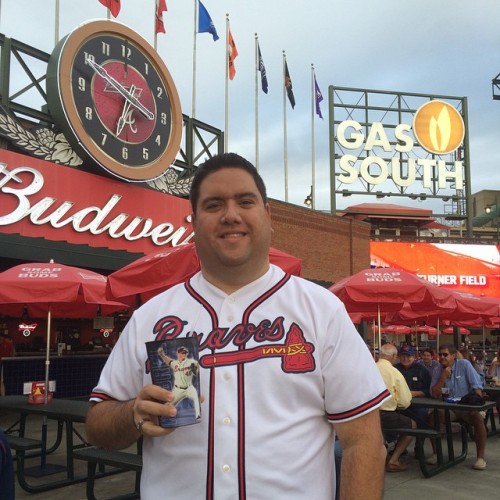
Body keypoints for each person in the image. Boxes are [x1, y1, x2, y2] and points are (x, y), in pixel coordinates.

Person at [85, 152, 390, 499]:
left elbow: (363, 442)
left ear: (268, 215)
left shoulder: (321, 310)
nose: (231, 215)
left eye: (245, 201)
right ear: (194, 221)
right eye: (214, 205)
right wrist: (132, 414)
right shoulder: (151, 316)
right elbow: (97, 425)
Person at [429, 344, 487, 470]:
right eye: (440, 354)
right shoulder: (437, 370)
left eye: (445, 354)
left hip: (466, 405)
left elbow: (477, 386)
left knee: (478, 418)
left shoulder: (464, 365)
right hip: (448, 407)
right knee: (432, 418)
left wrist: (476, 404)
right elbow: (434, 394)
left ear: (453, 356)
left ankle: (480, 458)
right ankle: (436, 453)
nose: (442, 357)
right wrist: (443, 377)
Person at [377, 343, 417, 472]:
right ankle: (393, 460)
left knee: (380, 428)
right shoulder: (394, 372)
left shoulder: (369, 368)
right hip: (385, 413)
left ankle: (383, 458)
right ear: (394, 356)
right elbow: (405, 402)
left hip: (367, 412)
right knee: (412, 425)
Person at [157, 345, 200, 419]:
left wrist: (194, 369)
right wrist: (162, 355)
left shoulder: (190, 362)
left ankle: (198, 415)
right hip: (178, 389)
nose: (183, 354)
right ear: (178, 354)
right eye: (181, 353)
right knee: (168, 405)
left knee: (196, 398)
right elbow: (169, 361)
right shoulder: (175, 363)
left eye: (184, 353)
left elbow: (196, 366)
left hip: (189, 388)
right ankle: (158, 417)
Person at [395, 345, 431, 429]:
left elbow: (429, 390)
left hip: (417, 405)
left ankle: (420, 440)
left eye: (408, 356)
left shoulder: (422, 369)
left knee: (422, 414)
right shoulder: (395, 369)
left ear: (414, 357)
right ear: (399, 356)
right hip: (398, 404)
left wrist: (414, 393)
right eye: (403, 356)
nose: (405, 358)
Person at [0, 332, 15, 396]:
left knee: (4, 380)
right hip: (4, 363)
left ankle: (3, 395)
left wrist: (11, 359)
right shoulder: (8, 342)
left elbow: (13, 352)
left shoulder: (8, 343)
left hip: (6, 364)